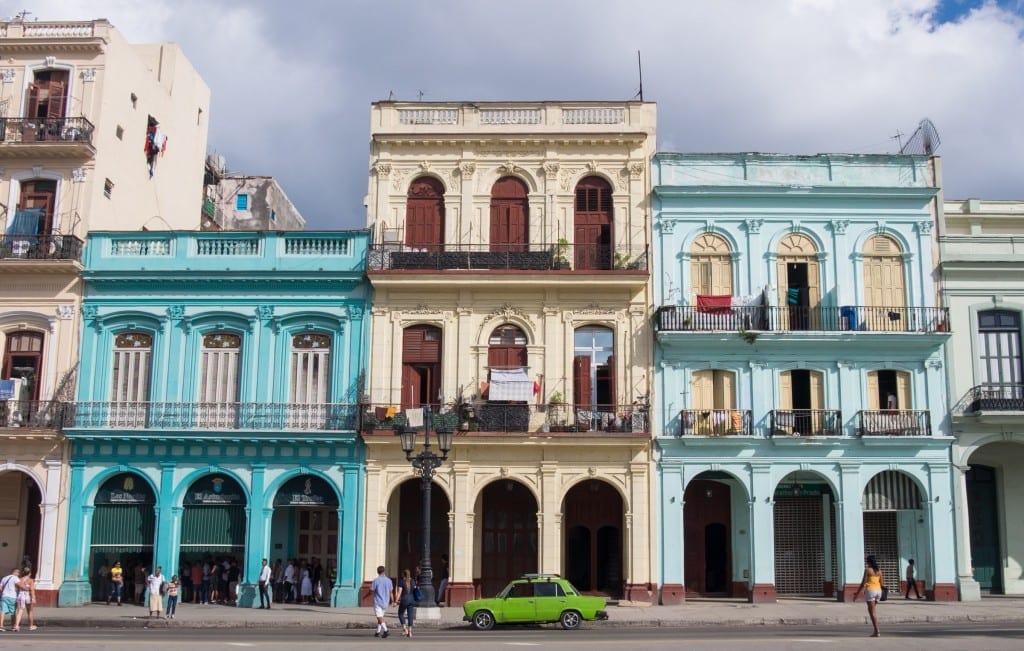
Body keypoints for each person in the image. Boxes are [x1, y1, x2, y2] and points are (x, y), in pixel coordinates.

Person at [853, 555, 884, 637]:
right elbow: (882, 584)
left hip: (871, 591)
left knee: (872, 612)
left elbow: (863, 583)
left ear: (868, 562)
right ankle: (876, 630)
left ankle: (877, 631)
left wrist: (857, 593)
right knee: (872, 611)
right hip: (879, 592)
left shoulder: (867, 570)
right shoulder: (879, 571)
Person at [370, 565, 393, 639]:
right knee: (381, 617)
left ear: (378, 572)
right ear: (384, 571)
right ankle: (378, 632)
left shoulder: (376, 580)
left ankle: (386, 630)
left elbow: (372, 590)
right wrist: (393, 600)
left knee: (379, 617)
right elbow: (391, 591)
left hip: (378, 601)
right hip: (386, 601)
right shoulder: (389, 580)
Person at [13, 566, 37, 631]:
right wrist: (33, 598)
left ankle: (16, 626)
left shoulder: (19, 579)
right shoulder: (30, 580)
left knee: (19, 611)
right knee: (30, 611)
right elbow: (32, 590)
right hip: (27, 596)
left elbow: (16, 589)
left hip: (20, 596)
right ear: (29, 573)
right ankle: (31, 626)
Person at [396, 569, 417, 638]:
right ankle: (410, 632)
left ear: (403, 575)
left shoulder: (402, 582)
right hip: (411, 599)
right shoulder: (413, 581)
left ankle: (405, 629)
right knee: (410, 615)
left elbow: (399, 592)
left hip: (404, 599)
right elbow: (415, 589)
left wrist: (396, 601)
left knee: (400, 614)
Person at [1, 567, 20, 631]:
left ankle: (1, 626)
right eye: (18, 573)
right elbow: (20, 585)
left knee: (3, 611)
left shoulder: (4, 578)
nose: (18, 574)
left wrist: (3, 592)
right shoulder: (15, 578)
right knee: (13, 612)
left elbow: (0, 587)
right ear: (15, 572)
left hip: (4, 596)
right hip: (12, 597)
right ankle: (13, 626)